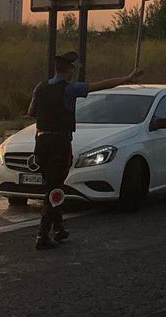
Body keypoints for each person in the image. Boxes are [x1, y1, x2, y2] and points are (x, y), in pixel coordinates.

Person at [27, 52, 141, 251]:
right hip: (60, 141)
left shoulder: (40, 87)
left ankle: (60, 227)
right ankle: (43, 234)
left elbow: (31, 112)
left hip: (41, 141)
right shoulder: (69, 89)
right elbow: (100, 85)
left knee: (53, 184)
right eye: (73, 69)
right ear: (69, 70)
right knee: (55, 188)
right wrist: (126, 78)